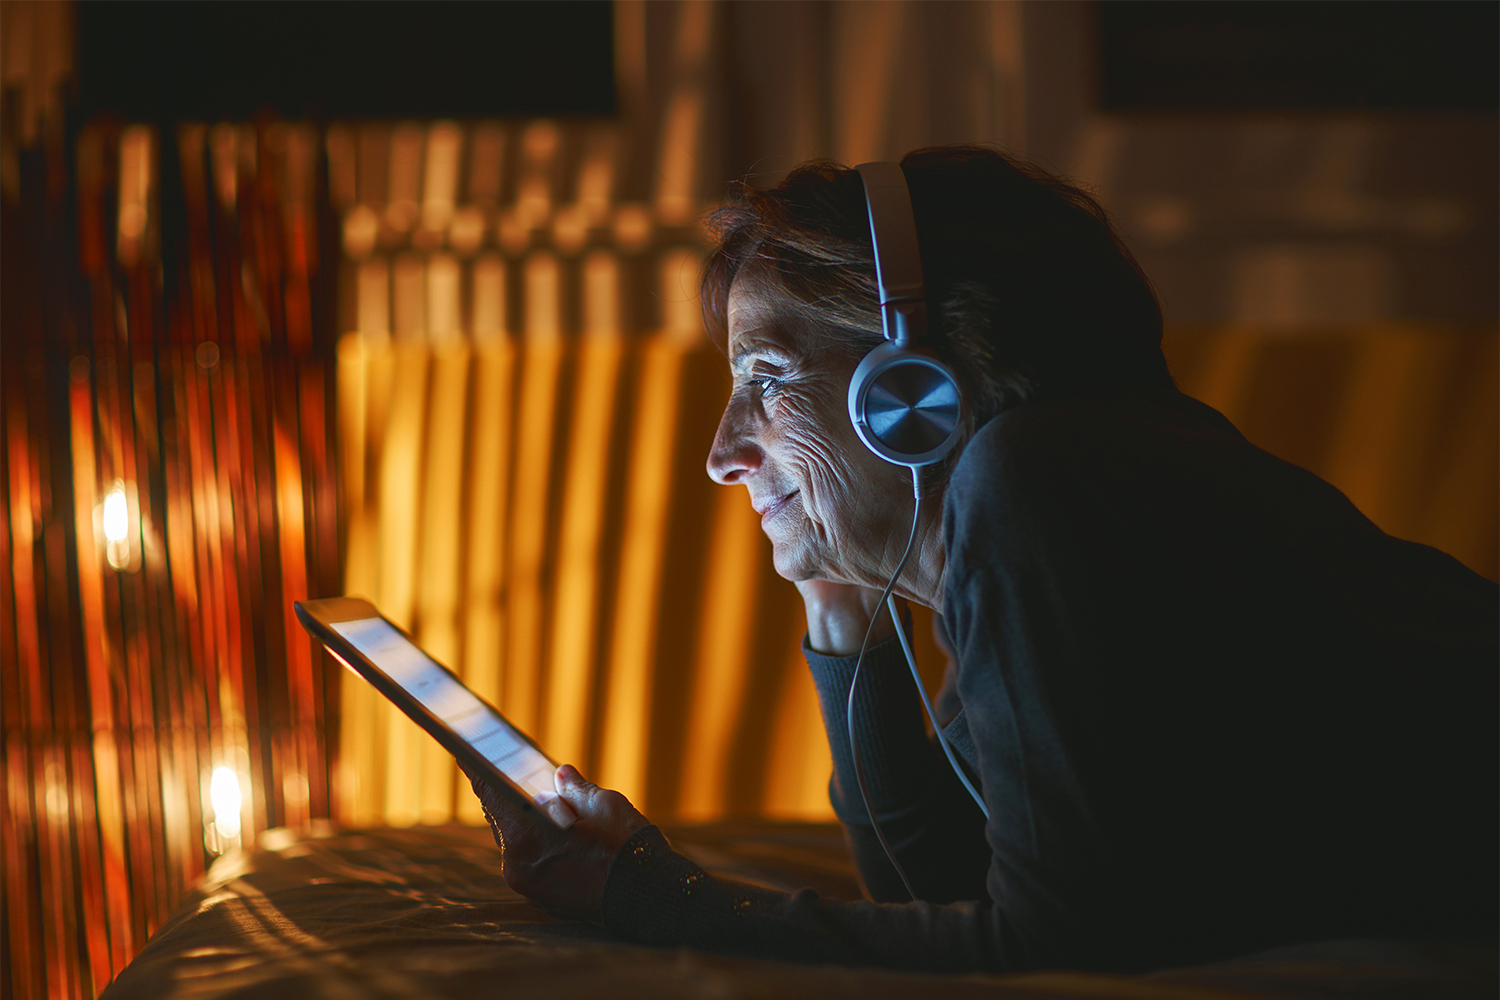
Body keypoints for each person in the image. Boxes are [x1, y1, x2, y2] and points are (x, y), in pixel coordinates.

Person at [464, 146, 1498, 973]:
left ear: (908, 391)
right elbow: (940, 887)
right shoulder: (1055, 485)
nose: (722, 454)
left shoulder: (1039, 479)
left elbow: (1051, 949)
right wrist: (843, 607)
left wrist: (640, 891)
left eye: (767, 377)